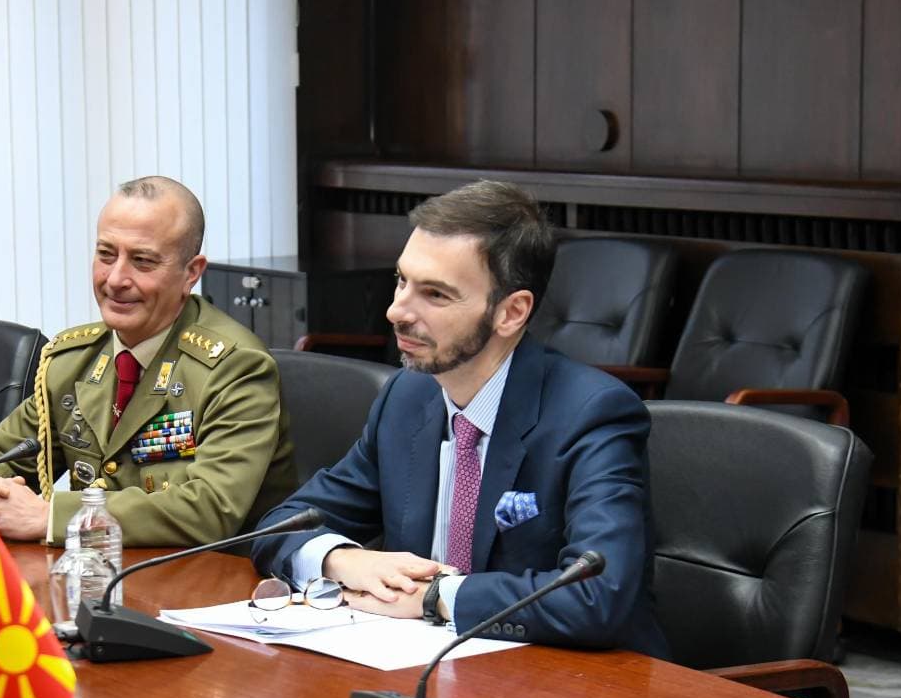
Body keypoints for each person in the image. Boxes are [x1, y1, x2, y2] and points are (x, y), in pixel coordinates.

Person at [250, 180, 669, 657]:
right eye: (402, 281)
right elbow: (280, 527)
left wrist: (436, 597)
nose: (396, 311)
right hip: (423, 666)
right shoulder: (408, 398)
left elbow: (598, 595)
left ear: (511, 312)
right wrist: (342, 560)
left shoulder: (592, 414)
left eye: (435, 294)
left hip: (575, 683)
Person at [0, 176, 296, 547]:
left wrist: (49, 518)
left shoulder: (235, 367)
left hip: (207, 573)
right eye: (106, 255)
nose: (116, 278)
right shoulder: (73, 359)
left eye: (142, 261)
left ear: (191, 273)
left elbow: (210, 508)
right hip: (95, 568)